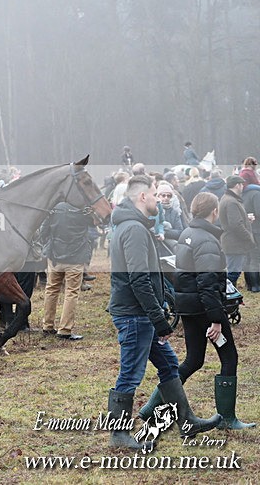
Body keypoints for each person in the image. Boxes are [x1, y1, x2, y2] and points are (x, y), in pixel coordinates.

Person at [106, 175, 220, 449]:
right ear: (142, 196)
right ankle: (119, 435)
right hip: (135, 315)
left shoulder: (134, 226)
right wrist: (159, 319)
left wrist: (166, 297)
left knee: (169, 365)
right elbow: (138, 279)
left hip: (141, 314)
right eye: (155, 194)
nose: (159, 199)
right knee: (131, 373)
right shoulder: (133, 228)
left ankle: (187, 420)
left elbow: (148, 275)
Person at [139, 192, 254, 430]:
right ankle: (227, 419)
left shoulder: (187, 234)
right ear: (214, 212)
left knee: (193, 360)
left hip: (189, 308)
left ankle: (151, 407)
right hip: (206, 310)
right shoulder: (208, 241)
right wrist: (216, 320)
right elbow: (207, 283)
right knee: (229, 357)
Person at [39, 203, 93, 341]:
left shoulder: (54, 208)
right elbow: (93, 227)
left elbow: (43, 231)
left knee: (51, 289)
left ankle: (47, 325)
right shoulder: (84, 210)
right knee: (71, 292)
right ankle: (65, 329)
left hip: (55, 256)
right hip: (76, 256)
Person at [219, 176, 255, 286]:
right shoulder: (231, 202)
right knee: (233, 273)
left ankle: (229, 298)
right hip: (234, 244)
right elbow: (236, 225)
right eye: (241, 184)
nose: (242, 187)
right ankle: (227, 297)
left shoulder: (228, 199)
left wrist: (246, 219)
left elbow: (234, 221)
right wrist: (249, 238)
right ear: (236, 185)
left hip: (232, 243)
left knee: (233, 272)